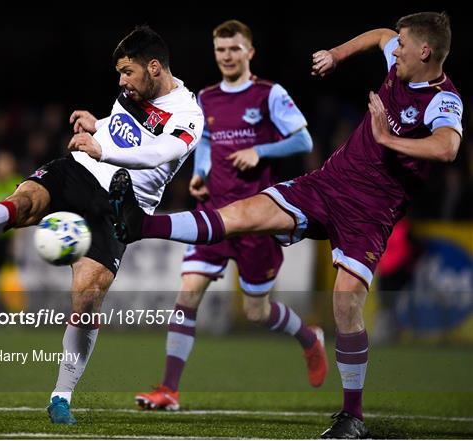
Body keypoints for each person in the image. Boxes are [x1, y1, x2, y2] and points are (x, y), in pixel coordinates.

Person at [109, 12, 463, 438]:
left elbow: (446, 147)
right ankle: (139, 225)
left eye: (405, 46)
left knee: (345, 302)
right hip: (329, 183)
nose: (396, 50)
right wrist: (336, 53)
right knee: (243, 214)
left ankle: (353, 416)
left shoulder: (444, 100)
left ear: (425, 52)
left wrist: (387, 139)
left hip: (371, 210)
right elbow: (382, 34)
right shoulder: (396, 61)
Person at [0, 25, 203, 425]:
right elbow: (123, 127)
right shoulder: (135, 90)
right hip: (80, 171)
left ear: (154, 68)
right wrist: (97, 124)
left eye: (127, 72)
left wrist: (103, 148)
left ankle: (60, 396)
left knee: (87, 296)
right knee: (24, 202)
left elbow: (158, 153)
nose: (121, 81)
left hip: (121, 201)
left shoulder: (188, 114)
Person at [134, 20, 327, 412]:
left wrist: (263, 152)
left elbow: (303, 139)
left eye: (235, 49)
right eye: (221, 50)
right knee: (187, 296)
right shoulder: (206, 97)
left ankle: (309, 338)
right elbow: (203, 140)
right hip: (214, 215)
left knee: (258, 311)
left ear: (250, 52)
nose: (227, 56)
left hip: (258, 218)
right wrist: (201, 174)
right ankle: (169, 390)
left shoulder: (268, 94)